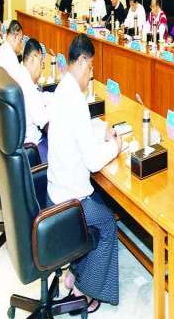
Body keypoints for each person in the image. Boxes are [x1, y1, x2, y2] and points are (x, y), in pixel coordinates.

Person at [47, 34, 121, 312]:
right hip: (69, 201)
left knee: (101, 205)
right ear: (80, 62)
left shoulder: (63, 89)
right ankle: (85, 290)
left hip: (56, 190)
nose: (92, 75)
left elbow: (79, 133)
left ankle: (75, 273)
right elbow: (92, 161)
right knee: (107, 223)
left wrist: (101, 132)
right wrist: (115, 146)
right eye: (90, 68)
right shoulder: (75, 99)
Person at [13, 38, 50, 162]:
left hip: (19, 145)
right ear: (34, 57)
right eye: (41, 63)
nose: (41, 70)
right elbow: (46, 123)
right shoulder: (27, 85)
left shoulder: (19, 73)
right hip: (34, 148)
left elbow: (38, 97)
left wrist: (54, 97)